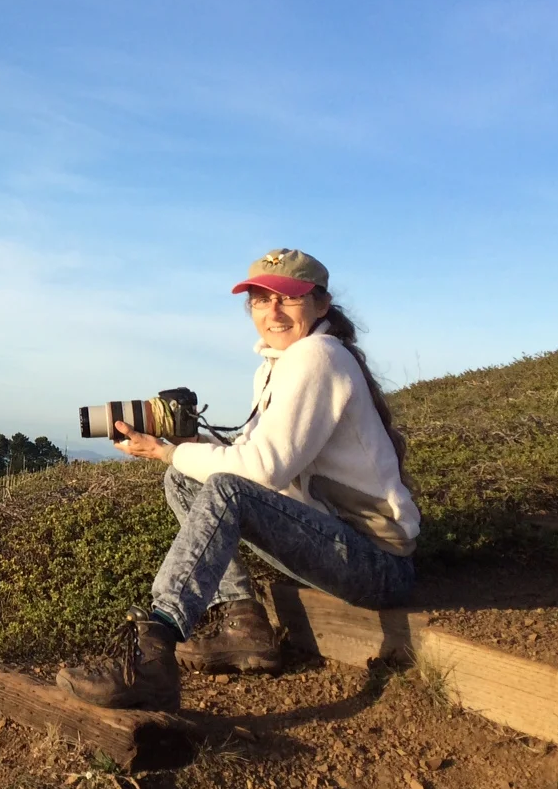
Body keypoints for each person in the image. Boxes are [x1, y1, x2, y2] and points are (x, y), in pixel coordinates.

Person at [59, 248, 420, 712]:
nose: (272, 311)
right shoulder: (278, 366)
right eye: (259, 299)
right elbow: (245, 454)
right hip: (337, 541)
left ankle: (153, 653)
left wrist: (168, 450)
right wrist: (180, 442)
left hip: (378, 564)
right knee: (184, 480)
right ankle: (243, 622)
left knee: (222, 486)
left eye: (287, 299)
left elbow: (263, 470)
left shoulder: (318, 357)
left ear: (321, 304)